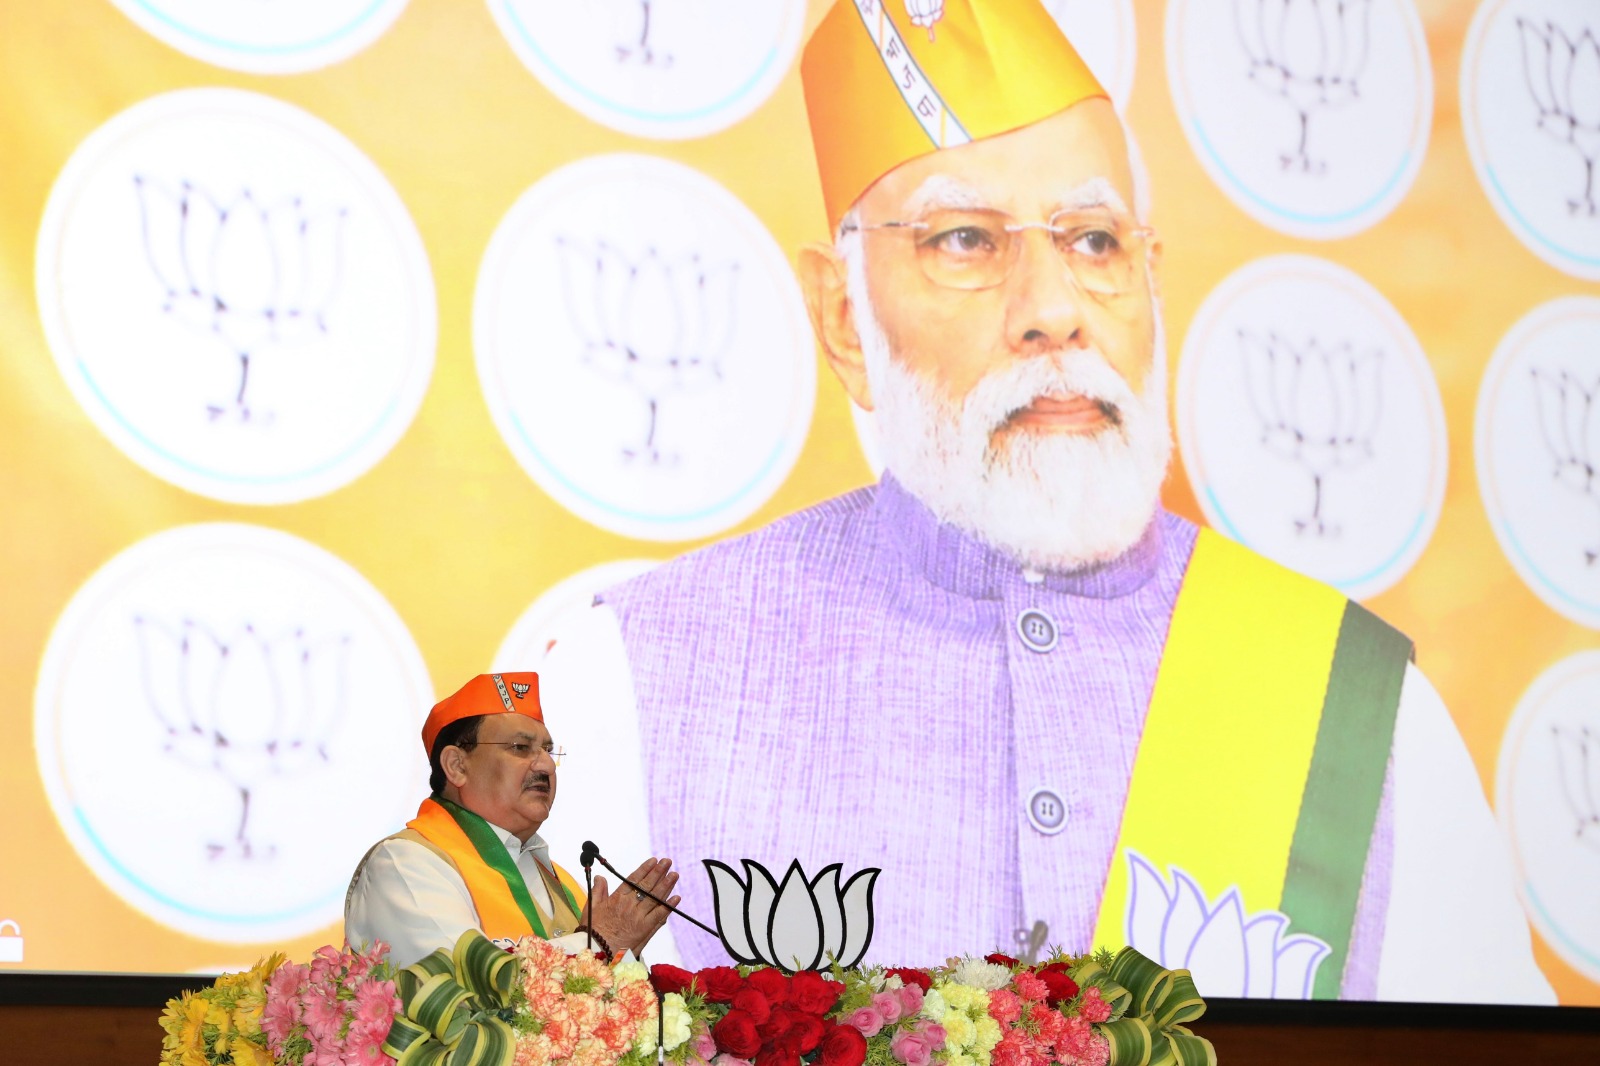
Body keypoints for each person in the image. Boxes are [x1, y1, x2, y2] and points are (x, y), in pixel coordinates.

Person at [538, 0, 1554, 1003]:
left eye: (1094, 240)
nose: (1053, 310)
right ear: (846, 320)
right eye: (967, 240)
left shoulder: (1363, 705)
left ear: (1150, 283)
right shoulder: (627, 679)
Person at [345, 672, 680, 967]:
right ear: (457, 766)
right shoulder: (405, 864)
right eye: (521, 747)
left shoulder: (562, 883)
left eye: (548, 751)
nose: (546, 766)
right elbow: (463, 991)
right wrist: (598, 942)